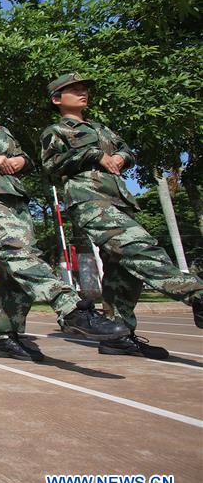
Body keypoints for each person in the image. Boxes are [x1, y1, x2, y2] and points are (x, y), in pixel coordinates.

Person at [0, 72, 127, 361]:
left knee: (16, 267)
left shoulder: (2, 129)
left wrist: (18, 160)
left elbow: (26, 158)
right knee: (17, 254)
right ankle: (69, 307)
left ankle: (5, 335)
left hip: (15, 198)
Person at [40, 73, 203, 358]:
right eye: (73, 89)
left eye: (84, 89)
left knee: (122, 271)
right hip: (89, 201)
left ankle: (119, 334)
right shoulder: (57, 131)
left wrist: (120, 158)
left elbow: (126, 151)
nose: (82, 93)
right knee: (139, 247)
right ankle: (196, 294)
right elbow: (52, 164)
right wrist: (92, 155)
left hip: (119, 200)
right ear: (57, 99)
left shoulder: (101, 128)